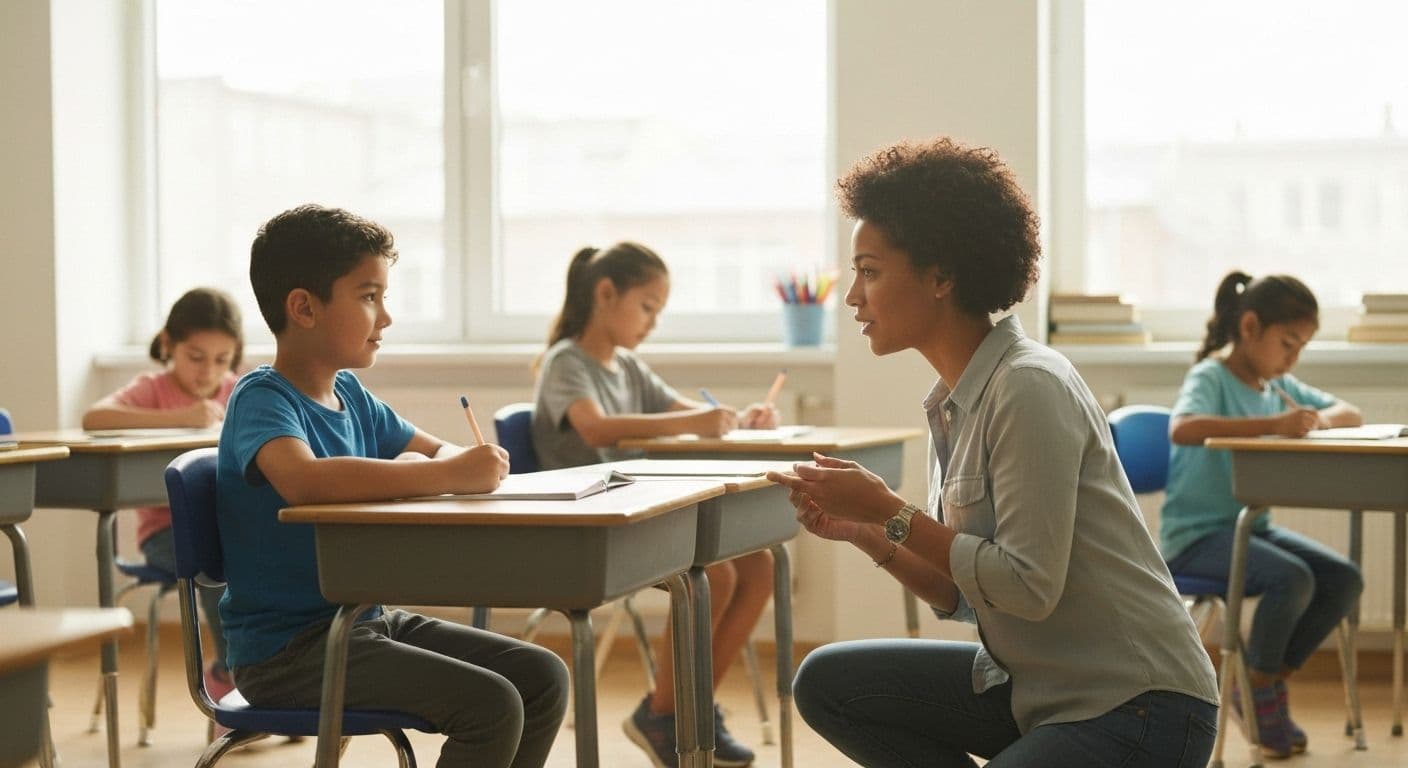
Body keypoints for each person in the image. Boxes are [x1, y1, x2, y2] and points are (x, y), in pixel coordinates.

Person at [767, 137, 1221, 767]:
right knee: (828, 683)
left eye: (869, 272)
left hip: (1138, 706)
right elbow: (962, 590)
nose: (852, 298)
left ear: (940, 277)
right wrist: (870, 530)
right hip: (1041, 689)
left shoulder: (1028, 386)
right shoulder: (955, 401)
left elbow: (1027, 587)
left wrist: (891, 510)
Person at [217, 204, 568, 767]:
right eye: (368, 296)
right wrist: (449, 473)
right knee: (494, 705)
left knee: (542, 676)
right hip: (287, 652)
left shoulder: (351, 395)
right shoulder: (262, 397)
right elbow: (303, 480)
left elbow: (434, 450)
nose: (386, 317)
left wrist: (473, 462)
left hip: (361, 623)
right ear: (304, 307)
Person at [531, 242, 777, 767]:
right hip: (586, 527)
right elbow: (596, 427)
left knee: (759, 565)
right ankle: (668, 717)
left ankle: (683, 711)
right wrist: (694, 423)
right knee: (720, 574)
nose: (652, 323)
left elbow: (690, 410)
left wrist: (737, 417)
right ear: (605, 293)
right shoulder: (564, 363)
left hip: (637, 512)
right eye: (647, 307)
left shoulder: (628, 367)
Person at [1161, 271, 1364, 758]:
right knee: (1291, 579)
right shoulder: (1211, 375)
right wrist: (1274, 425)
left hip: (1252, 528)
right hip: (1194, 539)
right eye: (1287, 343)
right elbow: (1183, 428)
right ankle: (1256, 686)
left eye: (1301, 348)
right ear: (1249, 327)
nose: (1292, 358)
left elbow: (1349, 412)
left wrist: (1313, 420)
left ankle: (1260, 682)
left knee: (1342, 579)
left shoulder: (1278, 383)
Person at [83, 286, 243, 707]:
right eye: (196, 356)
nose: (208, 372)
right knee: (217, 560)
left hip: (233, 530)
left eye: (222, 360)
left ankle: (274, 676)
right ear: (169, 344)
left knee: (262, 557)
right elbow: (95, 417)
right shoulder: (153, 389)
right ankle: (231, 676)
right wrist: (180, 418)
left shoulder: (238, 392)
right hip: (164, 536)